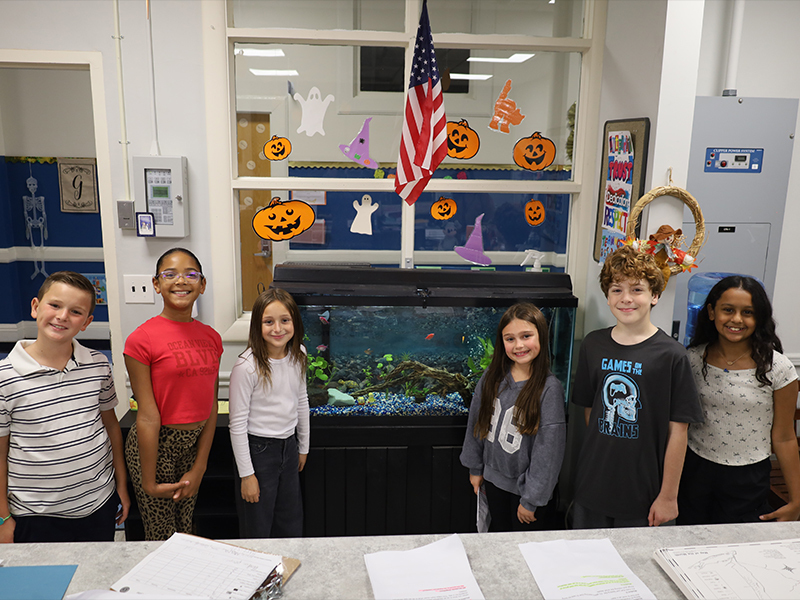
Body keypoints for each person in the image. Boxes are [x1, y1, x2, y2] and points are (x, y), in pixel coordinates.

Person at [571, 245, 703, 528]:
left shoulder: (672, 355)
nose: (626, 298)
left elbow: (678, 431)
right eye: (617, 289)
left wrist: (668, 496)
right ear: (607, 296)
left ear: (655, 295)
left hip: (644, 492)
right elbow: (591, 411)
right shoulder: (593, 345)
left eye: (637, 289)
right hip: (592, 484)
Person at [0, 271, 129, 543]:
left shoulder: (98, 365)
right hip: (35, 515)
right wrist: (2, 517)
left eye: (75, 311)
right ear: (36, 307)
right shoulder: (5, 377)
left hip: (98, 505)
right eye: (55, 305)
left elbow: (111, 427)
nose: (62, 316)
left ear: (86, 322)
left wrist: (122, 486)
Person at [678, 276, 800, 524]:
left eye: (748, 312)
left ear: (760, 317)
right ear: (711, 312)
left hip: (748, 477)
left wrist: (797, 501)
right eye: (728, 310)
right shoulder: (692, 360)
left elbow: (785, 437)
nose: (736, 319)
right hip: (694, 470)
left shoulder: (778, 368)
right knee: (690, 538)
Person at [124, 248, 222, 540]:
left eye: (191, 274)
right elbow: (147, 415)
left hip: (193, 446)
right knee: (161, 535)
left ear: (202, 285)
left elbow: (211, 406)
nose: (181, 281)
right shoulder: (141, 340)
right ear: (156, 284)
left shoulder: (212, 338)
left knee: (185, 528)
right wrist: (149, 481)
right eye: (170, 274)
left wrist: (200, 466)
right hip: (156, 446)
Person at [460, 303, 566, 532]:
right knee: (498, 536)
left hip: (525, 493)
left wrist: (531, 499)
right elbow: (477, 423)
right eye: (510, 339)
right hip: (492, 482)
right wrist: (475, 468)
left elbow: (548, 452)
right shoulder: (492, 377)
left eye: (526, 336)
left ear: (541, 336)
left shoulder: (550, 389)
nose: (519, 345)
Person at [229, 289, 309, 538]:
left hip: (289, 447)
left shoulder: (299, 355)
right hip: (258, 452)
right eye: (268, 322)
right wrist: (247, 475)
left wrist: (303, 447)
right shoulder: (247, 367)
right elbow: (237, 424)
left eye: (285, 320)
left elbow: (302, 400)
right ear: (257, 325)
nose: (278, 329)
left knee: (290, 521)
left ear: (295, 322)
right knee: (258, 524)